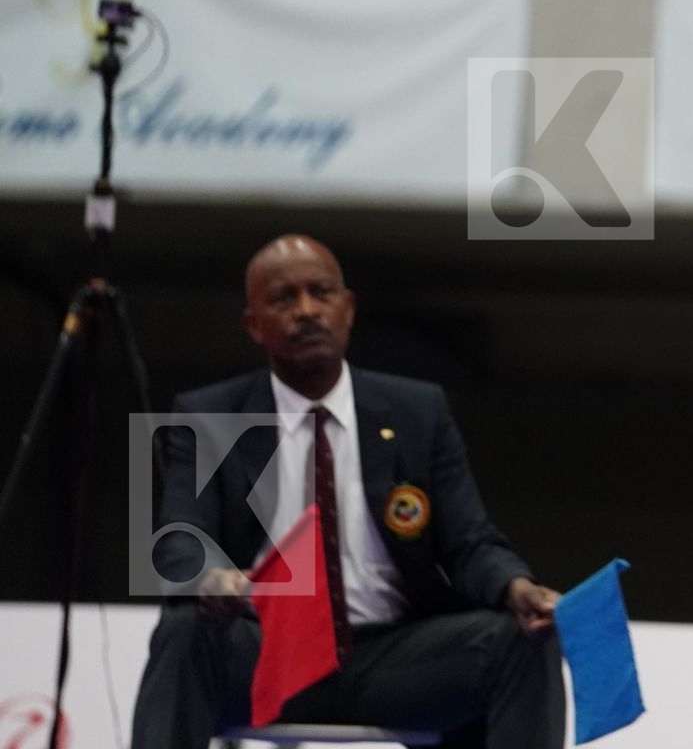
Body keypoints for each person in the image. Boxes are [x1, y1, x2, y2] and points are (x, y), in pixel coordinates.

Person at [131, 234, 565, 749]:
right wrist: (210, 579)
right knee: (183, 631)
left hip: (391, 661)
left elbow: (469, 541)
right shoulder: (209, 416)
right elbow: (177, 541)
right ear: (254, 325)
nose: (307, 311)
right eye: (283, 299)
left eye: (321, 293)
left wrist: (516, 586)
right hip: (266, 655)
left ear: (349, 307)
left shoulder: (417, 411)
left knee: (523, 638)